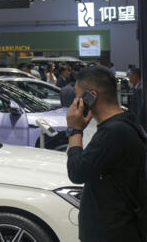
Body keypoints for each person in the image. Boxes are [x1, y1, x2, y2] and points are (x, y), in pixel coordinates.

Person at [66, 66, 145, 241]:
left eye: (78, 95)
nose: (75, 101)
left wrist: (74, 130)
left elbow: (77, 172)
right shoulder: (126, 121)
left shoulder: (113, 132)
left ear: (91, 96)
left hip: (112, 232)